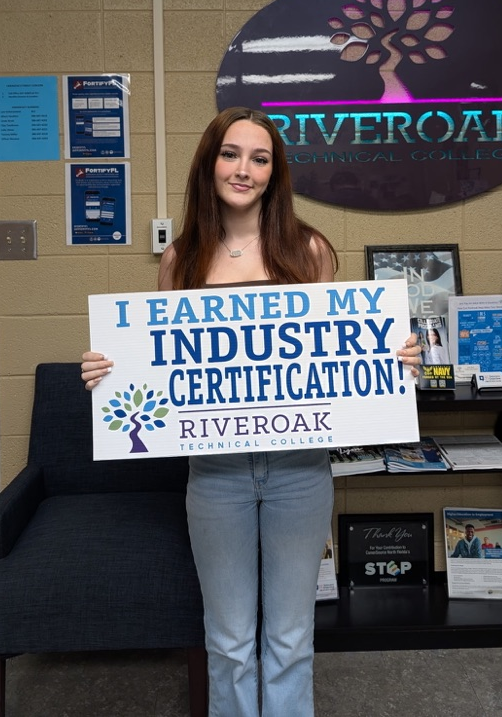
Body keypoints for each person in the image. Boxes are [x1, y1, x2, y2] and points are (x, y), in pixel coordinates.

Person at [81, 106, 421, 717]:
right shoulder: (180, 260)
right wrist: (111, 372)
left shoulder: (309, 250)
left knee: (290, 639)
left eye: (260, 158)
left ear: (275, 171)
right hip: (215, 473)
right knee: (231, 641)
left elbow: (341, 354)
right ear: (210, 163)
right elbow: (165, 367)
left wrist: (393, 360)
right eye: (231, 154)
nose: (245, 169)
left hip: (299, 469)